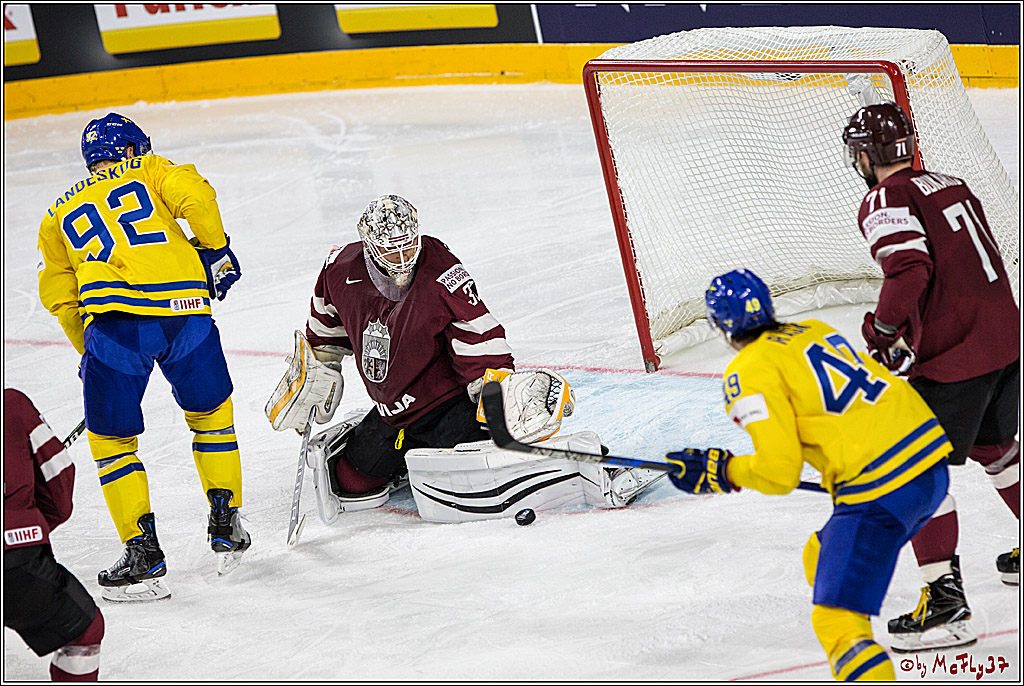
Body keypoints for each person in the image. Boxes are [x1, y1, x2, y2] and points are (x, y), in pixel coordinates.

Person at [265, 194, 663, 522]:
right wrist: (316, 371)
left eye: (409, 247)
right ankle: (409, 459)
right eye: (392, 251)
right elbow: (326, 330)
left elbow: (478, 334)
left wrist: (497, 395)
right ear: (369, 247)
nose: (403, 260)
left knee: (487, 471)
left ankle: (587, 468)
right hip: (391, 412)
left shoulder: (441, 270)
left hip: (448, 404)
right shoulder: (339, 269)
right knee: (350, 483)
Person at [666, 269, 951, 681]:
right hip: (930, 467)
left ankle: (856, 644)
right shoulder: (814, 329)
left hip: (881, 489)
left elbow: (779, 472)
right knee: (819, 552)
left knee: (834, 624)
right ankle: (853, 613)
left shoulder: (747, 370)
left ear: (720, 325)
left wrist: (722, 470)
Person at [36, 113, 251, 600]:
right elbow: (196, 195)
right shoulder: (150, 170)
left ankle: (143, 552)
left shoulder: (57, 213)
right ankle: (225, 520)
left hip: (115, 330)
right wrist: (215, 250)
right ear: (132, 150)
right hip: (187, 314)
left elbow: (61, 297)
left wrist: (86, 350)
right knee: (212, 417)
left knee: (112, 444)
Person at [842, 102, 1020, 651]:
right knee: (997, 448)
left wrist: (883, 330)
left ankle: (944, 603)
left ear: (867, 156)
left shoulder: (884, 198)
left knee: (914, 470)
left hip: (957, 355)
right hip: (1004, 336)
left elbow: (911, 268)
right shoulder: (952, 183)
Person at [4, 388, 104, 681]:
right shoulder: (12, 404)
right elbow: (59, 488)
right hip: (15, 562)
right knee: (86, 631)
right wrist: (28, 527)